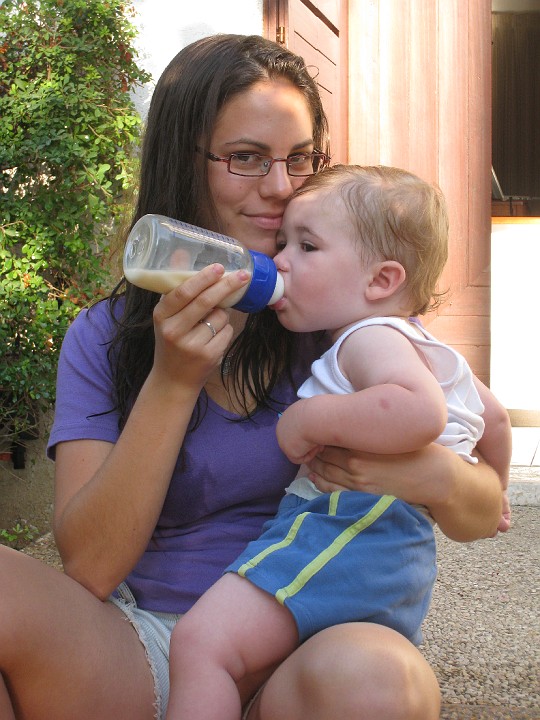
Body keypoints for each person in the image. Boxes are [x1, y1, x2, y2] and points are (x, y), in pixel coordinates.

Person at [0, 34, 510, 720]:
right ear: (184, 161)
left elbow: (481, 512)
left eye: (299, 158)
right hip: (140, 645)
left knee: (382, 679)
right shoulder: (104, 337)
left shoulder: (342, 320)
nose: (279, 187)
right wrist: (172, 381)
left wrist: (436, 476)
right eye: (245, 158)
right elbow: (90, 567)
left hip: (305, 656)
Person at [164, 164, 510, 720]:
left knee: (202, 643)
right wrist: (499, 487)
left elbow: (420, 411)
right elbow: (493, 421)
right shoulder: (426, 346)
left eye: (307, 246)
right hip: (396, 549)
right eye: (283, 243)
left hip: (344, 528)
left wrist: (310, 419)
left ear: (381, 281)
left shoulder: (365, 339)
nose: (281, 260)